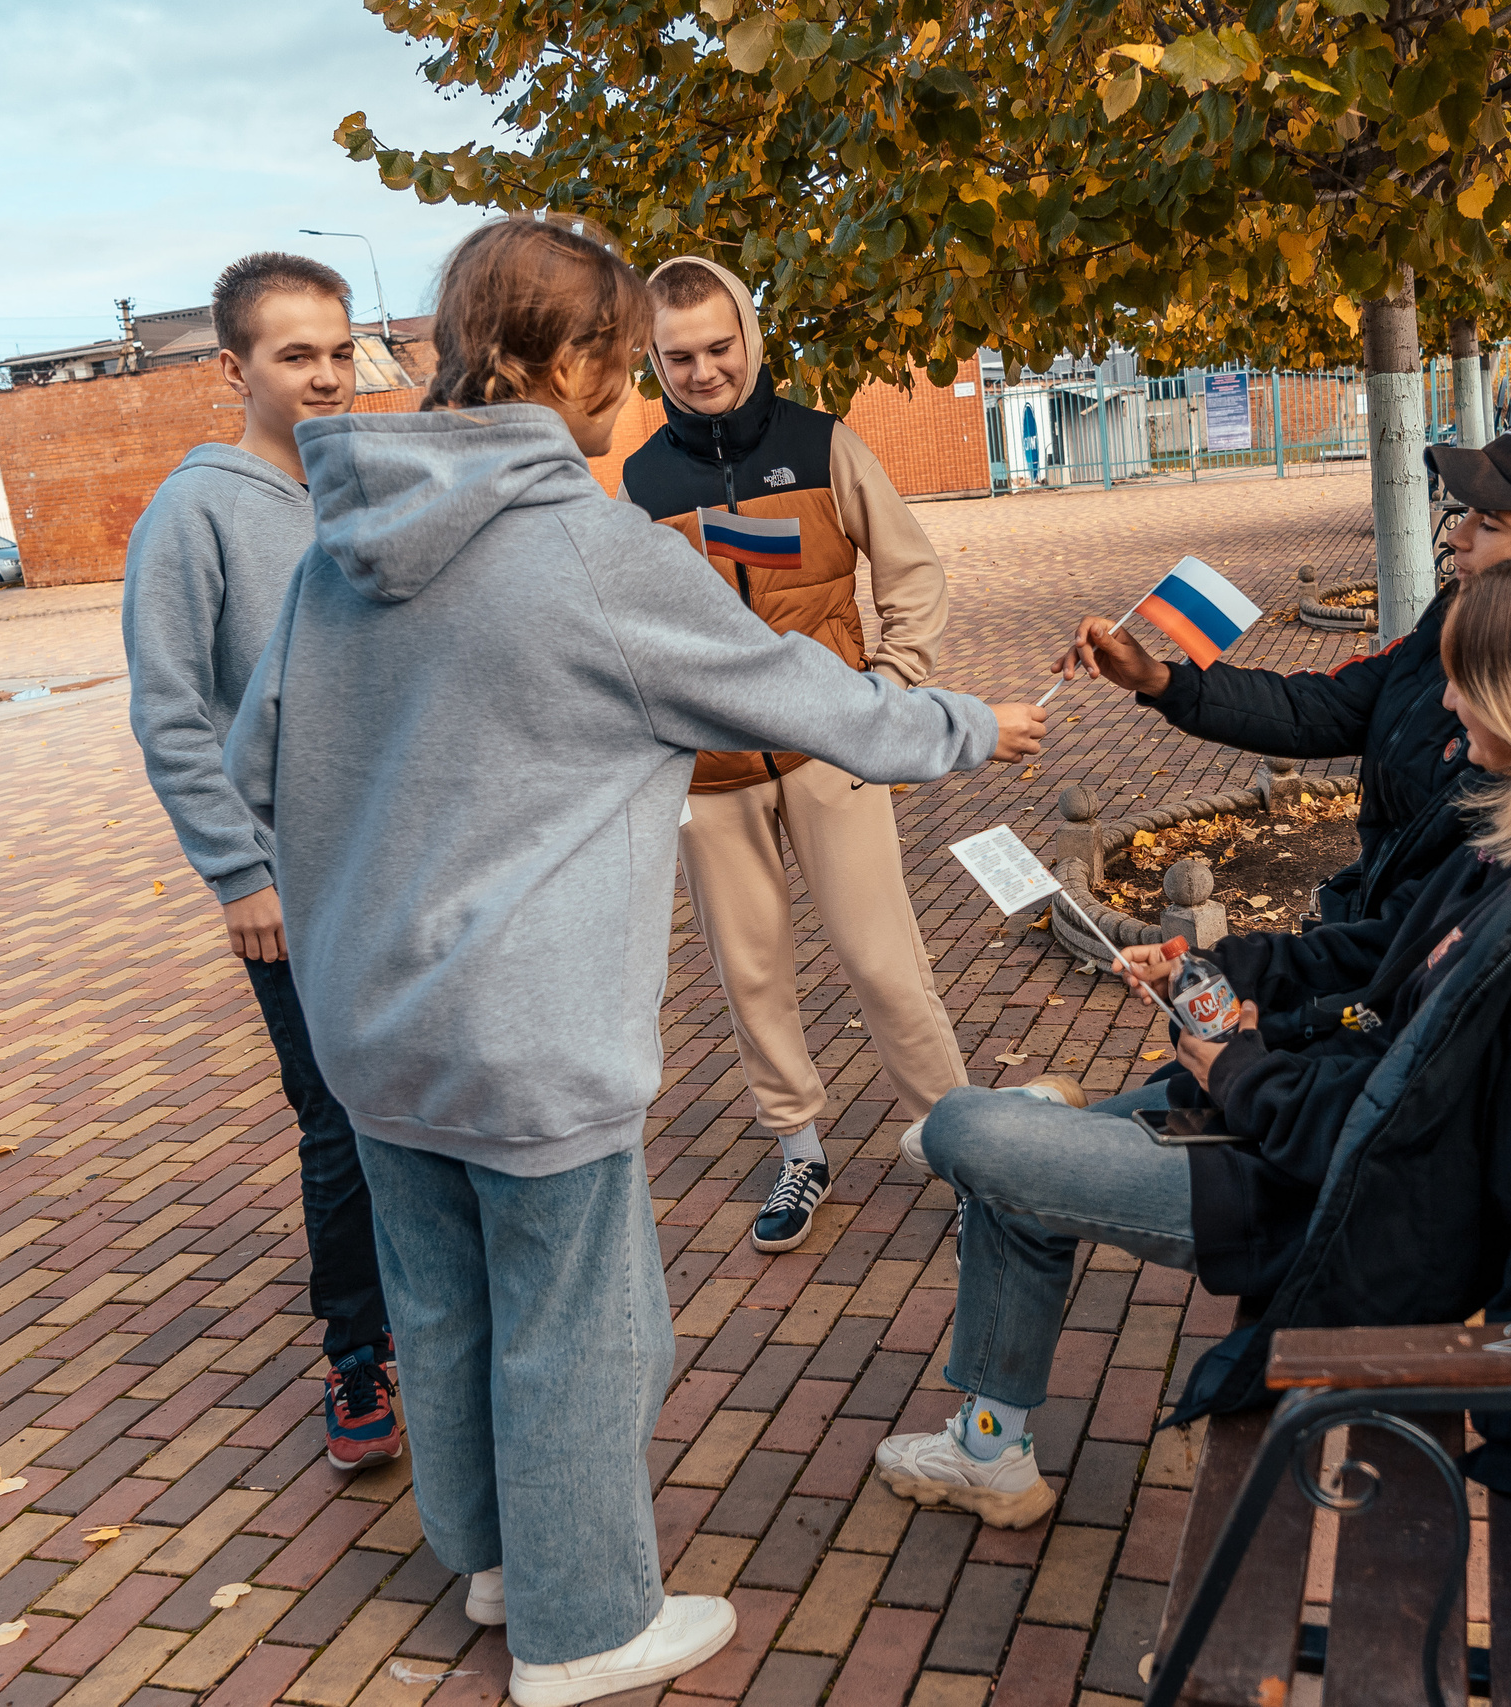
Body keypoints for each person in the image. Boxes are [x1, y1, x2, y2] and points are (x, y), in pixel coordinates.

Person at [222, 216, 1047, 1707]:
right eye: (619, 355)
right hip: (521, 1028)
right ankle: (583, 1617)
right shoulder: (587, 548)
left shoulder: (338, 542)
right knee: (581, 1324)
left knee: (446, 1301)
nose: (633, 388)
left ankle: (490, 1562)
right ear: (568, 358)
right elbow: (806, 695)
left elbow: (255, 755)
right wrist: (971, 726)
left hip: (367, 1017)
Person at [873, 544, 1511, 1526]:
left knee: (963, 1134)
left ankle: (995, 1389)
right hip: (1313, 1129)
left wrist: (1241, 1072)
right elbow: (1383, 978)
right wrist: (1223, 972)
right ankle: (989, 1451)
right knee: (1008, 1163)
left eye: (1465, 686)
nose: (1446, 710)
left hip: (1336, 1208)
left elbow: (1410, 1141)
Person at [620, 257, 968, 1254]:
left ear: (751, 340)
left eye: (719, 348)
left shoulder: (824, 446)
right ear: (653, 360)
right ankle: (799, 1148)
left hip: (829, 754)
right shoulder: (643, 482)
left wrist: (887, 694)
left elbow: (909, 568)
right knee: (752, 972)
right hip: (712, 775)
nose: (703, 371)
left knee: (883, 959)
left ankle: (958, 1139)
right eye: (679, 356)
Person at [120, 252, 400, 1472]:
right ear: (233, 370)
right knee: (337, 1124)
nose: (327, 375)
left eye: (340, 351)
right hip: (295, 887)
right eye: (297, 355)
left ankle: (432, 1318)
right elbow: (171, 713)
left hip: (408, 864)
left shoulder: (374, 486)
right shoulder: (195, 513)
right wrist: (239, 876)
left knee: (421, 1110)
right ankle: (356, 1361)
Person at [1052, 413, 1511, 928]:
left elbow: (1433, 942)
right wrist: (1158, 677)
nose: (1457, 536)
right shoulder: (1461, 611)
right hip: (1369, 924)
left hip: (1390, 962)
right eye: (1465, 512)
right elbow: (1328, 708)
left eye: (1490, 523)